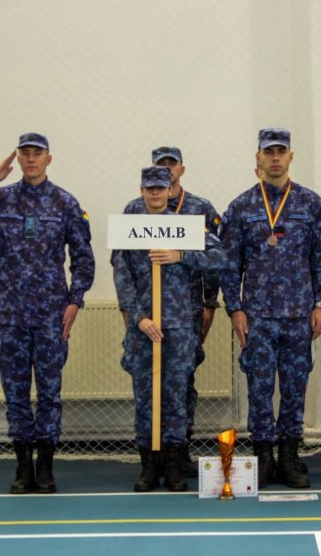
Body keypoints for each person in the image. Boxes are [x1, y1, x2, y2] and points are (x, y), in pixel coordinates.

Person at [0, 133, 95, 494]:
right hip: (12, 314)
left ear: (49, 158)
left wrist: (75, 300)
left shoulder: (64, 203)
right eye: (25, 154)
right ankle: (22, 468)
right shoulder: (1, 200)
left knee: (48, 393)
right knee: (15, 393)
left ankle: (45, 469)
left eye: (37, 154)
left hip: (50, 315)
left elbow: (83, 258)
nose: (30, 159)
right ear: (18, 158)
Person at [219, 128, 321, 489]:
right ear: (258, 157)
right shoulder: (240, 207)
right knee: (259, 388)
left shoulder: (311, 204)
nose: (274, 158)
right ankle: (263, 458)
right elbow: (228, 264)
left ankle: (290, 456)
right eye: (268, 152)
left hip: (299, 313)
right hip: (257, 316)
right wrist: (235, 309)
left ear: (290, 156)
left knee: (295, 387)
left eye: (280, 151)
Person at [112, 166, 226, 492]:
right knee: (146, 399)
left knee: (176, 396)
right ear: (142, 191)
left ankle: (175, 466)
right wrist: (138, 317)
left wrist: (182, 255)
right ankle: (150, 467)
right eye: (150, 189)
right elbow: (122, 275)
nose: (156, 194)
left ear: (170, 189)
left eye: (161, 188)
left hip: (179, 326)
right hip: (143, 328)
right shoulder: (130, 227)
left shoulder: (187, 228)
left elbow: (221, 257)